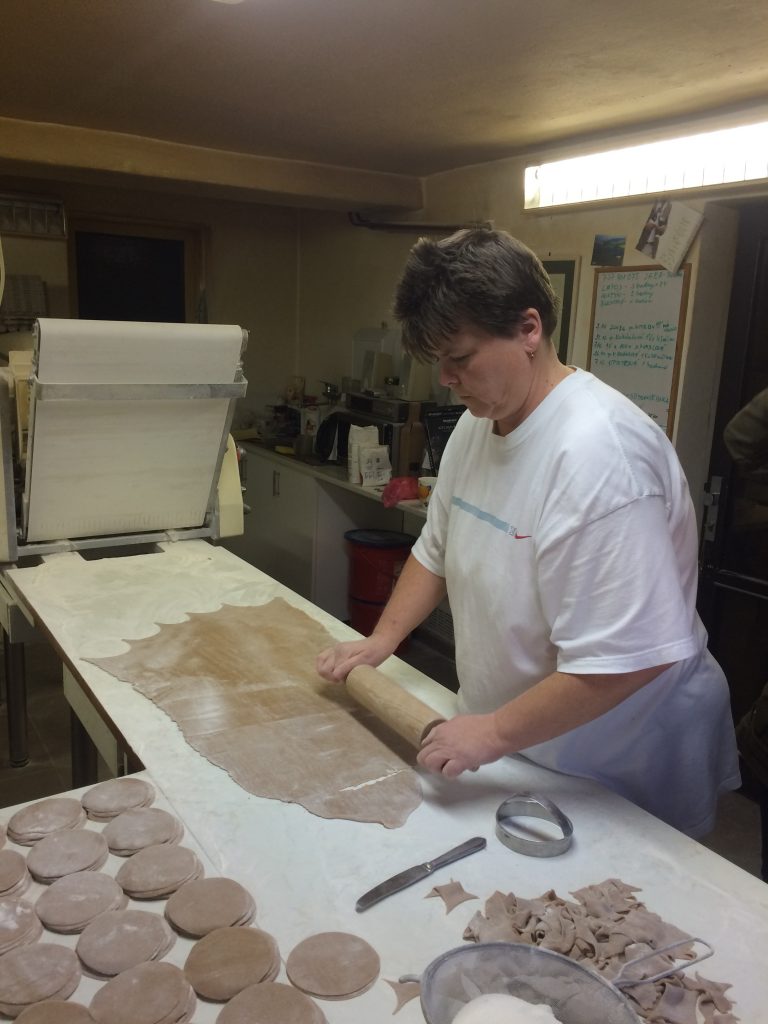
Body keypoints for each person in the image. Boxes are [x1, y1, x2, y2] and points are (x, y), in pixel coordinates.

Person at [317, 228, 740, 838]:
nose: (446, 380)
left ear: (528, 328)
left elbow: (622, 663)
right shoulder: (474, 426)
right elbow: (434, 550)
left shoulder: (600, 458)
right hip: (521, 738)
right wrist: (382, 639)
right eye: (437, 362)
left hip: (619, 755)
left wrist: (490, 731)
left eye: (459, 358)